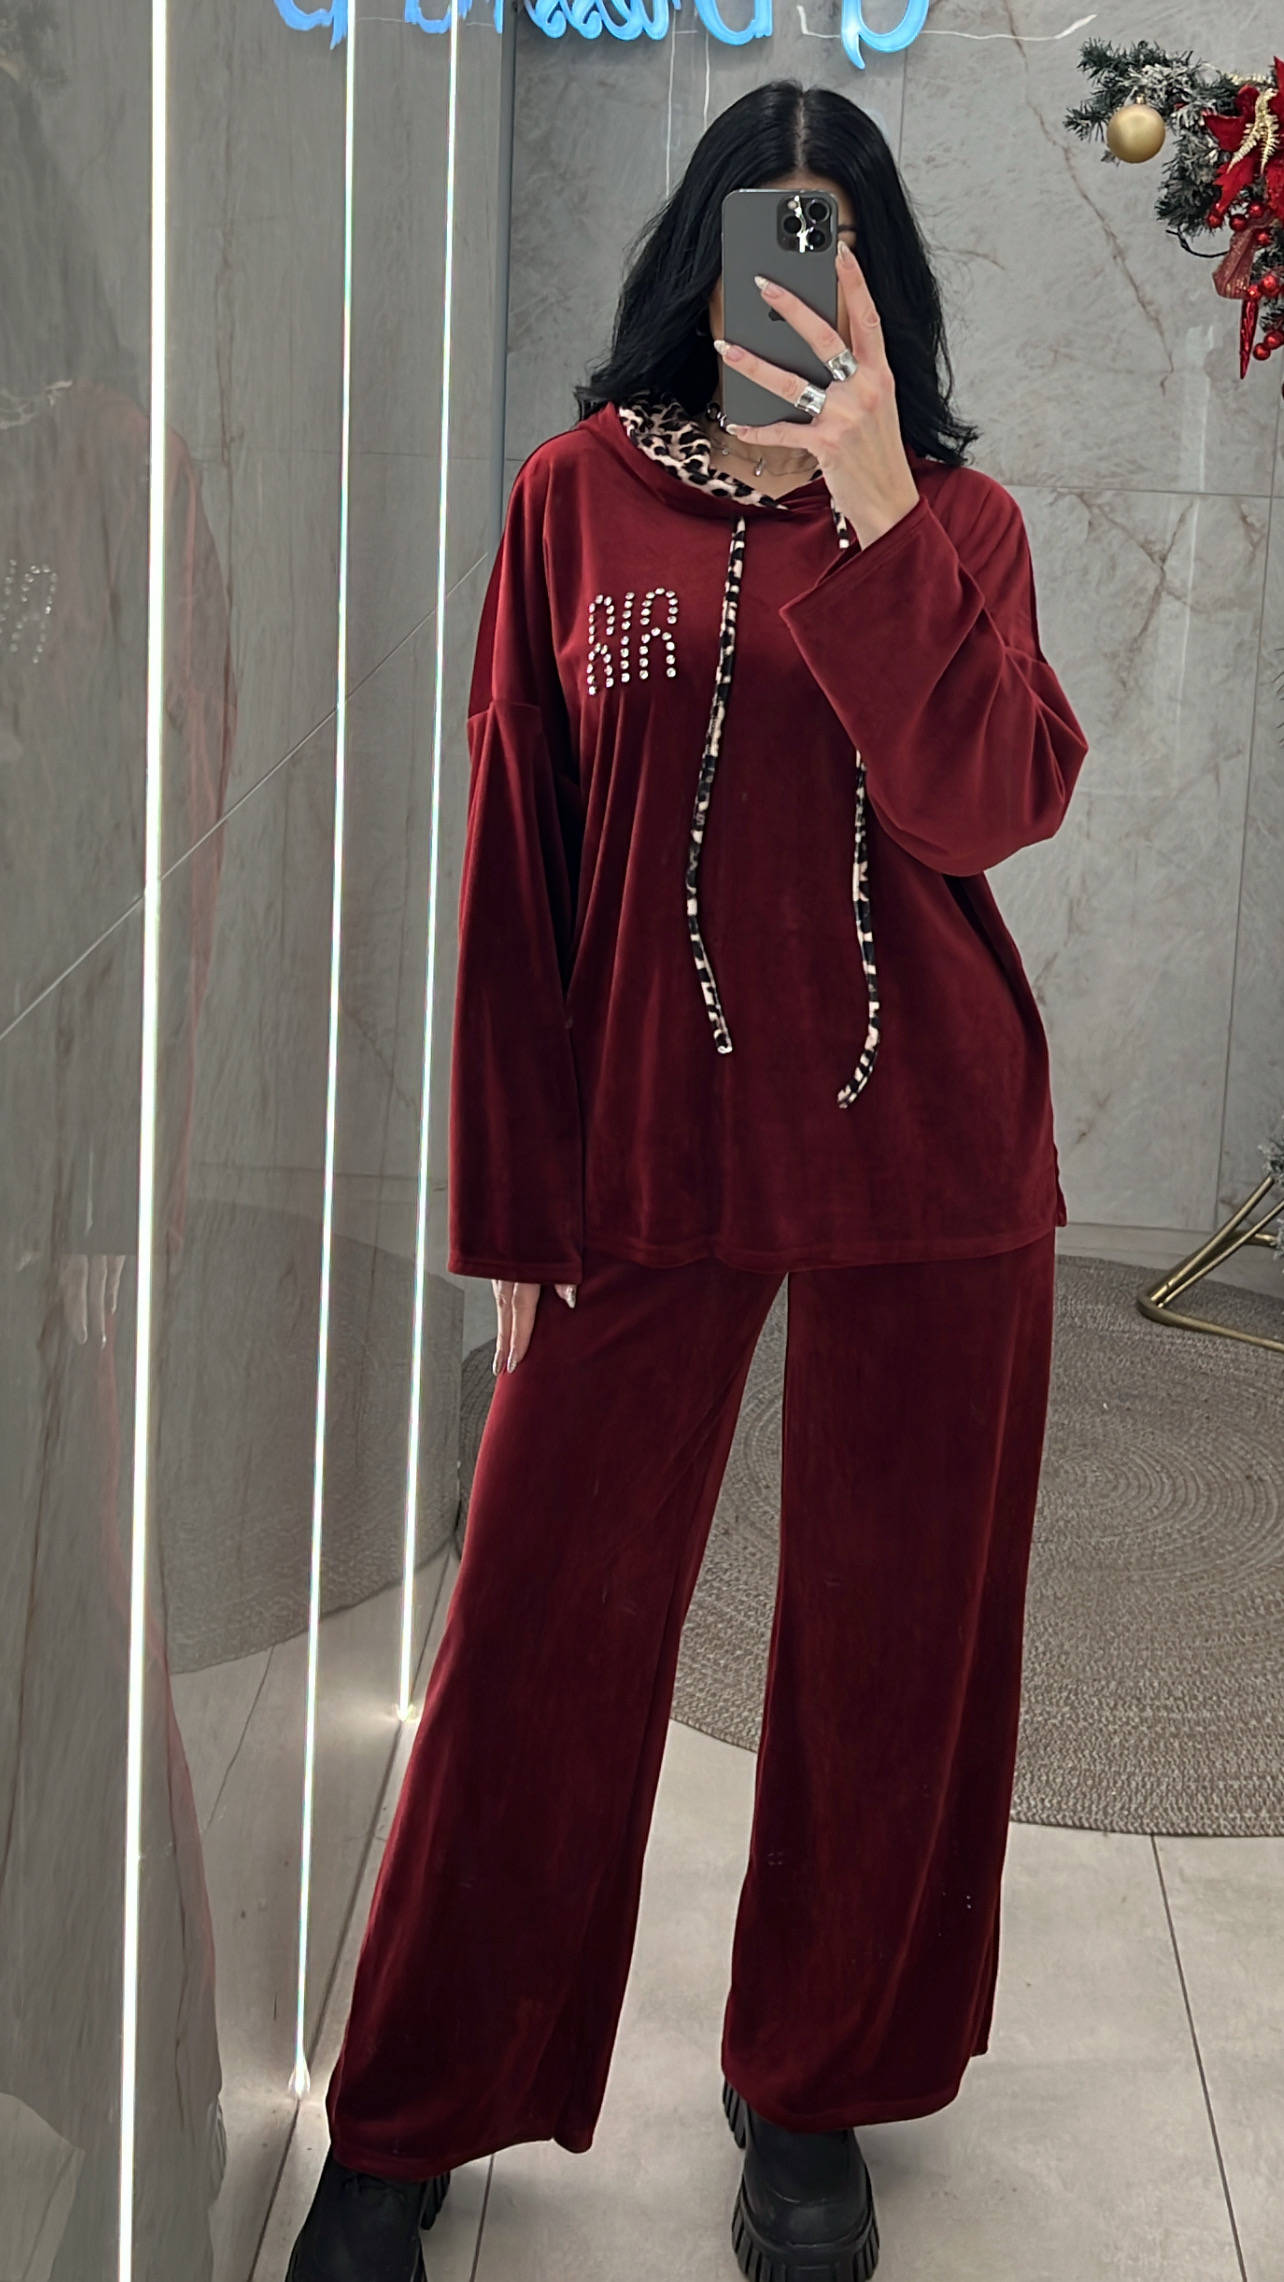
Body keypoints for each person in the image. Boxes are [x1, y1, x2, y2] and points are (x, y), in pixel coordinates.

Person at [286, 78, 1088, 2282]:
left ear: (882, 287)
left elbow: (994, 806)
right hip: (646, 1149)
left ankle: (809, 2086)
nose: (798, 286)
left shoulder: (960, 521)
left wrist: (882, 506)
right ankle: (412, 2103)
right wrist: (507, 1199)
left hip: (931, 1152)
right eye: (766, 239)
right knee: (538, 1628)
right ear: (700, 263)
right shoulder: (571, 501)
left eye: (839, 250)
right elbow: (514, 866)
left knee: (894, 1646)